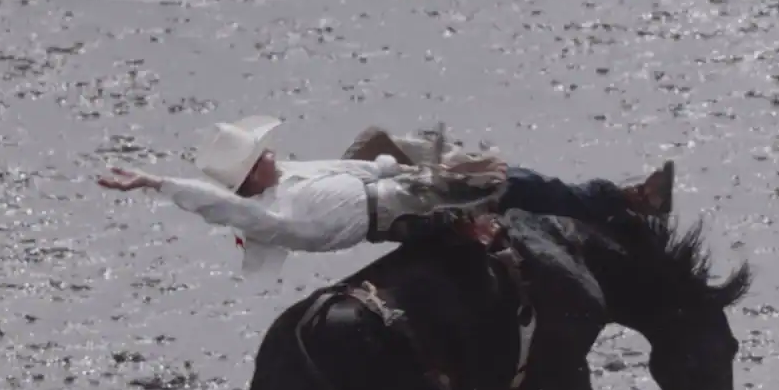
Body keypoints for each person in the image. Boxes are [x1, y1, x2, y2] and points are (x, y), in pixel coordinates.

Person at [96, 115, 673, 278]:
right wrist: (156, 182)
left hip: (387, 185)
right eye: (262, 155)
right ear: (250, 177)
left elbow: (351, 162)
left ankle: (607, 205)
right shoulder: (265, 213)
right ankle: (620, 200)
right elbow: (213, 203)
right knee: (510, 183)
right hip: (395, 208)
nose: (273, 153)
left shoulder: (290, 177)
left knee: (381, 139)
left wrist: (401, 155)